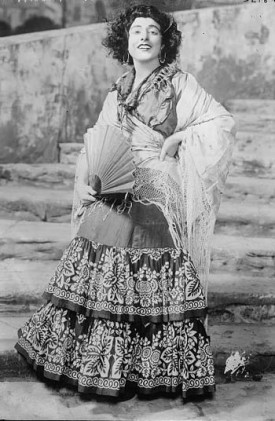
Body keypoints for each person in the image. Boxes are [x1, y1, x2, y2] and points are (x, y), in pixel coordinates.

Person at [15, 4, 236, 401]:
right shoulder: (116, 92)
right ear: (126, 42)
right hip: (115, 193)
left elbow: (219, 121)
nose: (145, 37)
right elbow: (96, 140)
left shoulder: (180, 84)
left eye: (154, 31)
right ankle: (99, 368)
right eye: (137, 31)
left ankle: (150, 371)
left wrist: (179, 138)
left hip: (155, 194)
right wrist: (85, 178)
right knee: (101, 272)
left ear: (165, 43)